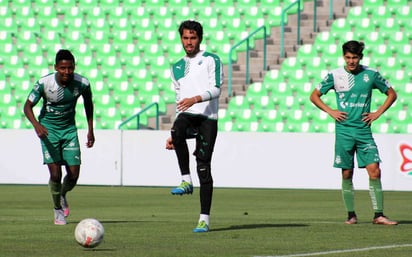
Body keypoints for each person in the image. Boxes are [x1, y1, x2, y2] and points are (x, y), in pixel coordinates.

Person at [310, 40, 398, 225]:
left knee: (375, 171)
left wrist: (377, 113)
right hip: (344, 131)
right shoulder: (335, 75)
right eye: (348, 57)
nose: (351, 61)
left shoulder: (371, 74)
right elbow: (314, 96)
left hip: (364, 131)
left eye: (355, 57)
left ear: (360, 57)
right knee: (346, 173)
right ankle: (351, 215)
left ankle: (378, 215)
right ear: (344, 57)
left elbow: (392, 94)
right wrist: (331, 111)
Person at [24, 49, 95, 225]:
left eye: (70, 68)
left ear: (74, 67)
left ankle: (62, 194)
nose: (67, 72)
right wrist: (37, 125)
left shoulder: (82, 83)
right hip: (49, 131)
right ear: (56, 67)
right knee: (55, 174)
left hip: (69, 130)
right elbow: (27, 106)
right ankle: (57, 210)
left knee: (74, 175)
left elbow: (88, 105)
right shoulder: (44, 83)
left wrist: (90, 129)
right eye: (63, 68)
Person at [165, 20, 224, 233]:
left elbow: (217, 89)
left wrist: (195, 99)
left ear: (200, 38)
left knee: (204, 167)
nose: (189, 42)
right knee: (176, 129)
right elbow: (180, 101)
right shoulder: (176, 67)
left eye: (193, 38)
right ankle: (185, 180)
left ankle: (204, 219)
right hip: (188, 114)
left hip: (208, 118)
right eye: (185, 38)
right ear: (181, 38)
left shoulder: (211, 60)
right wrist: (176, 135)